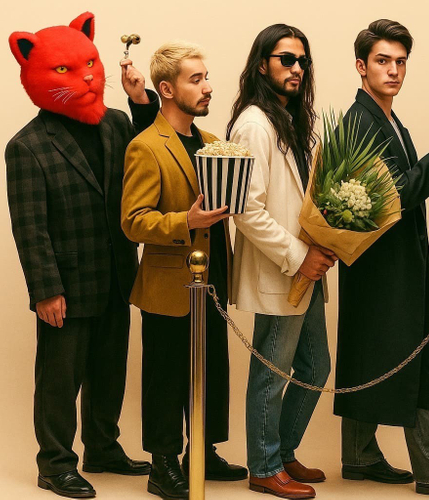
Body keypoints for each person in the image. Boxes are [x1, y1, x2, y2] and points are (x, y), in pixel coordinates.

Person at [333, 19, 429, 500]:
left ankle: (359, 454)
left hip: (391, 263)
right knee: (411, 360)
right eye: (383, 60)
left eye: (400, 62)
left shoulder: (386, 118)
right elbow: (389, 200)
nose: (394, 70)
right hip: (380, 268)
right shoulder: (358, 122)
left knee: (368, 353)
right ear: (361, 66)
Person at [5, 12, 156, 499]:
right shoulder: (26, 146)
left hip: (116, 273)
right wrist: (45, 290)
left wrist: (140, 100)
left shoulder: (115, 123)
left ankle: (103, 448)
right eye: (69, 69)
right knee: (59, 378)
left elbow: (151, 152)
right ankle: (54, 464)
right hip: (66, 285)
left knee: (110, 370)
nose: (87, 76)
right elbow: (30, 227)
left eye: (89, 64)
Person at [121, 40, 247, 500]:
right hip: (167, 285)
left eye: (206, 77)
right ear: (167, 89)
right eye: (196, 80)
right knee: (166, 375)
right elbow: (133, 222)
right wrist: (186, 222)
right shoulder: (144, 146)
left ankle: (203, 452)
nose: (208, 86)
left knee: (211, 369)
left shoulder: (213, 143)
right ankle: (162, 464)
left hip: (212, 279)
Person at [227, 24, 336, 500]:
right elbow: (245, 211)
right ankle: (264, 467)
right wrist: (299, 256)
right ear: (261, 65)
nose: (297, 68)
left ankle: (283, 451)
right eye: (286, 59)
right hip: (282, 269)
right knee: (271, 375)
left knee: (314, 368)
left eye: (302, 61)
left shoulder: (290, 119)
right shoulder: (254, 124)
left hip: (307, 269)